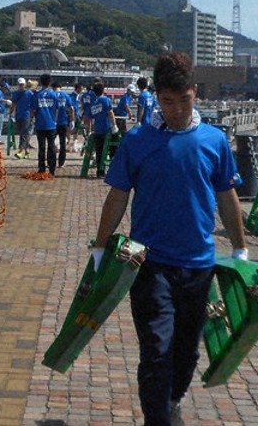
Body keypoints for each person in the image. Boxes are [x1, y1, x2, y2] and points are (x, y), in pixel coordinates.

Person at [92, 50, 248, 426]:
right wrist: (100, 248)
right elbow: (117, 196)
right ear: (157, 98)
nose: (176, 109)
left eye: (184, 100)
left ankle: (171, 402)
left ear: (195, 93)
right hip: (149, 264)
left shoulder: (214, 141)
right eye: (167, 101)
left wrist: (241, 248)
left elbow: (227, 196)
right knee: (157, 350)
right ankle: (158, 419)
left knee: (186, 352)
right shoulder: (137, 142)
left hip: (199, 265)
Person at [31, 74, 59, 175]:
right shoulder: (54, 95)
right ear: (50, 82)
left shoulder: (37, 95)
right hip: (51, 124)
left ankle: (41, 168)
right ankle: (52, 169)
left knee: (41, 147)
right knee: (51, 147)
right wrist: (54, 121)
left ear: (41, 82)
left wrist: (31, 119)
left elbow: (33, 109)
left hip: (40, 124)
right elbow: (56, 110)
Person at [87, 81, 114, 178]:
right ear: (103, 90)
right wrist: (114, 125)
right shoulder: (105, 100)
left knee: (99, 151)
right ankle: (112, 169)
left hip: (97, 129)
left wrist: (90, 130)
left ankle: (100, 171)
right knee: (112, 149)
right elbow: (110, 113)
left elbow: (89, 118)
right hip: (107, 129)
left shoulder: (93, 103)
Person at [11, 77, 35, 159]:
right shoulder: (15, 93)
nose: (21, 86)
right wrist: (12, 113)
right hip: (18, 115)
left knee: (24, 133)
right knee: (22, 133)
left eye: (22, 84)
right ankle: (27, 151)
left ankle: (20, 151)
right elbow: (13, 104)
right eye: (20, 84)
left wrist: (32, 116)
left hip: (26, 115)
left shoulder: (30, 93)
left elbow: (33, 106)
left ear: (25, 84)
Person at [53, 80, 75, 163]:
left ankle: (52, 161)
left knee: (51, 142)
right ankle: (61, 162)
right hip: (63, 122)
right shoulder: (65, 95)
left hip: (53, 123)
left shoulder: (52, 95)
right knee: (63, 143)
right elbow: (71, 109)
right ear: (60, 87)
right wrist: (72, 120)